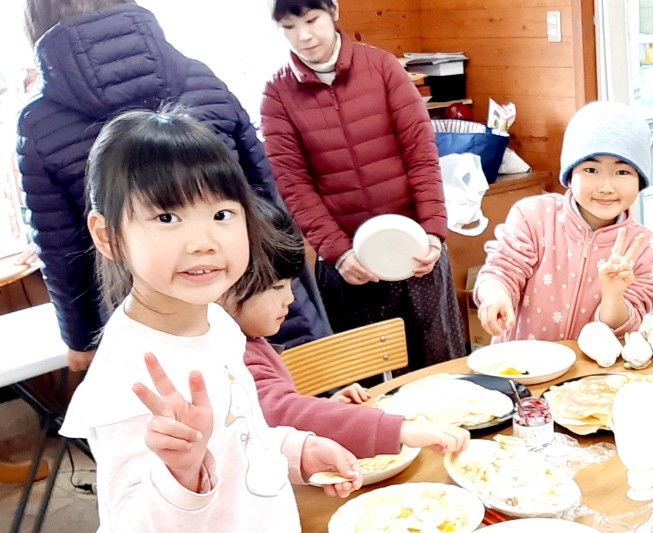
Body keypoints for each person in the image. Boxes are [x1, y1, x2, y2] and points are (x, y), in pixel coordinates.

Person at [59, 110, 376, 533]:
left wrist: (296, 451)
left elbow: (242, 436)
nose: (203, 240)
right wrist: (179, 474)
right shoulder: (130, 379)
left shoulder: (216, 324)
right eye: (167, 217)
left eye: (223, 214)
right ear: (108, 236)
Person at [16, 0, 331, 373]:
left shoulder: (38, 124)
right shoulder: (200, 77)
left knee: (200, 405)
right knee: (306, 395)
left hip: (156, 315)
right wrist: (293, 286)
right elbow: (267, 197)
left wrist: (80, 340)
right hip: (257, 288)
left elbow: (62, 249)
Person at [261, 0, 465, 370]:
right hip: (349, 263)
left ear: (333, 11)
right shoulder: (277, 94)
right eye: (289, 27)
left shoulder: (382, 67)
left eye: (312, 20)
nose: (304, 36)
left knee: (438, 369)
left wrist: (433, 233)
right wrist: (337, 252)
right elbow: (294, 186)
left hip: (415, 249)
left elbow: (421, 154)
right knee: (366, 381)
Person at [221, 210, 469, 459]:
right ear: (223, 290)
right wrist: (399, 430)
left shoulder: (248, 339)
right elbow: (281, 410)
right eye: (277, 287)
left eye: (289, 285)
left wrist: (327, 408)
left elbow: (275, 424)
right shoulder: (229, 356)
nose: (290, 298)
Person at [474, 101, 653, 342]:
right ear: (570, 176)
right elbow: (503, 269)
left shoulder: (642, 245)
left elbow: (621, 327)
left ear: (640, 180)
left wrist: (613, 296)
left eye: (622, 172)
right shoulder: (532, 216)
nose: (606, 187)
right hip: (521, 360)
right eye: (591, 170)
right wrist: (496, 295)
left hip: (588, 366)